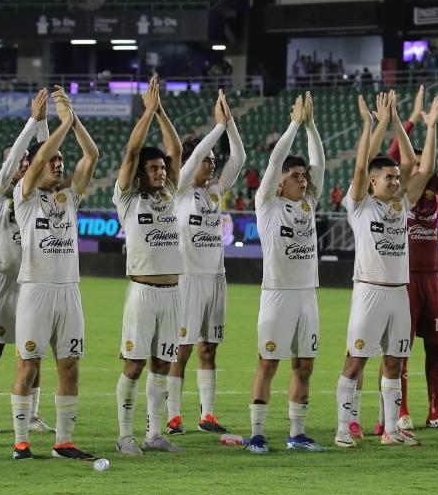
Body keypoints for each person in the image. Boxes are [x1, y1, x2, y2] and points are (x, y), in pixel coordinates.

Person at [333, 90, 434, 450]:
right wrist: (371, 126)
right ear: (373, 182)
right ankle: (343, 428)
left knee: (395, 362)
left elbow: (418, 165)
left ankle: (392, 429)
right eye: (388, 178)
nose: (395, 182)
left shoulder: (402, 205)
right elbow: (361, 167)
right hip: (370, 291)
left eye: (396, 178)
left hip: (398, 292)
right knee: (356, 358)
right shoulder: (359, 205)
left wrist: (397, 123)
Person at [10, 88, 100, 460]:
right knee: (29, 365)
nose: (60, 164)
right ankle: (21, 442)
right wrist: (59, 124)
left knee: (69, 366)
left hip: (69, 290)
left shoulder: (69, 196)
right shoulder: (24, 194)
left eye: (62, 161)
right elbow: (40, 156)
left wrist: (72, 120)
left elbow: (91, 155)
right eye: (54, 161)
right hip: (36, 288)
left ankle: (63, 442)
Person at [373, 85, 438, 433]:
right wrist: (406, 120)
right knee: (401, 347)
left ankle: (436, 411)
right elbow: (398, 152)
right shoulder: (397, 196)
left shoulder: (433, 188)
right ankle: (403, 410)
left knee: (437, 344)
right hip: (405, 277)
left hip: (432, 277)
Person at [111, 76, 186, 457]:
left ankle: (154, 433)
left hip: (174, 293)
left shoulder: (170, 193)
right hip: (142, 292)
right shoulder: (127, 198)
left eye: (162, 168)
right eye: (153, 168)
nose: (160, 172)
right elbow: (130, 152)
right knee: (135, 364)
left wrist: (161, 111)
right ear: (140, 172)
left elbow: (174, 148)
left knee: (163, 364)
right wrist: (146, 113)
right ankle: (125, 434)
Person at [249, 93, 325, 454]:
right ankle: (257, 434)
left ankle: (297, 433)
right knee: (268, 363)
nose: (303, 181)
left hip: (307, 293)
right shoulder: (266, 204)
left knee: (305, 364)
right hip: (277, 293)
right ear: (280, 182)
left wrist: (311, 126)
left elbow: (319, 164)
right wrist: (295, 123)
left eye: (303, 177)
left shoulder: (308, 204)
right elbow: (276, 159)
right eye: (295, 177)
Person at [168, 90, 245, 436]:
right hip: (188, 279)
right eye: (207, 160)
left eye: (214, 160)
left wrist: (228, 124)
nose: (212, 164)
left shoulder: (214, 192)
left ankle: (207, 415)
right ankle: (173, 417)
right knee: (181, 349)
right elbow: (196, 153)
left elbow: (239, 157)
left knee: (209, 348)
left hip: (216, 278)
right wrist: (214, 129)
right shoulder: (180, 188)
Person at [0, 88, 49, 434]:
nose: (20, 164)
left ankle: (32, 416)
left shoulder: (38, 196)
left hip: (34, 282)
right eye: (13, 161)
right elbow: (14, 164)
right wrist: (32, 122)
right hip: (5, 282)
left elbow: (45, 156)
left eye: (24, 161)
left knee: (34, 352)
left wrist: (43, 124)